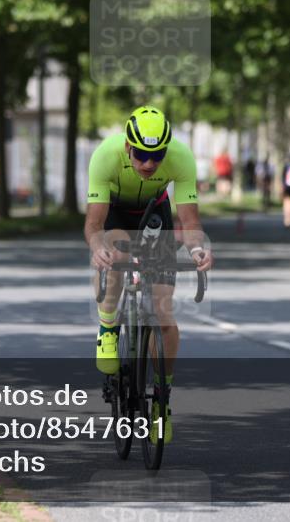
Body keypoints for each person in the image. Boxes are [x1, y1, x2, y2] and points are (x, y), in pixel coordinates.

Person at [85, 106, 214, 443]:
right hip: (116, 214)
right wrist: (98, 247)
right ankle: (108, 326)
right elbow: (94, 225)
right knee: (114, 250)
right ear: (129, 146)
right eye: (141, 154)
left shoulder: (182, 158)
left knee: (163, 312)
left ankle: (162, 400)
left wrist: (198, 248)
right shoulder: (105, 157)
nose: (149, 163)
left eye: (156, 156)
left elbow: (190, 221)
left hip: (155, 216)